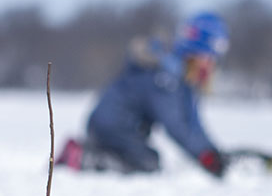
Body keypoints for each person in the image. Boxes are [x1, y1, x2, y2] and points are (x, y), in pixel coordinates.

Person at [55, 11, 230, 178]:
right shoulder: (165, 78)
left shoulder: (178, 76)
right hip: (112, 126)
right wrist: (206, 157)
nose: (211, 65)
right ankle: (83, 158)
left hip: (119, 127)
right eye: (208, 58)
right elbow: (176, 125)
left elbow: (193, 125)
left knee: (150, 159)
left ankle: (89, 152)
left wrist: (211, 151)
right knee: (148, 163)